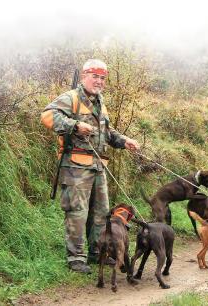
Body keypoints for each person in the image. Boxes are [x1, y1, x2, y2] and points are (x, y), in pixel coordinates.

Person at [40, 59, 140, 273]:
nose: (99, 81)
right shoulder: (71, 98)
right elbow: (47, 115)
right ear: (84, 75)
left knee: (102, 212)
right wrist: (74, 125)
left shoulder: (99, 102)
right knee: (77, 212)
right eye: (95, 76)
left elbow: (108, 133)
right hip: (75, 167)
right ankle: (76, 258)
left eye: (103, 78)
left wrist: (124, 141)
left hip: (98, 167)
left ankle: (97, 252)